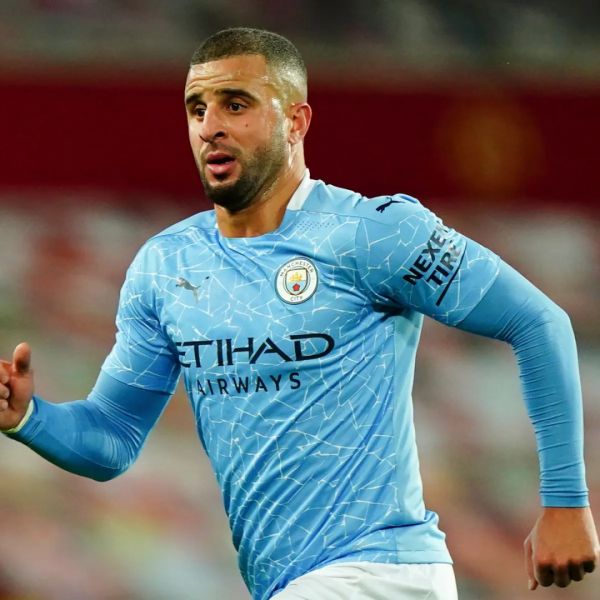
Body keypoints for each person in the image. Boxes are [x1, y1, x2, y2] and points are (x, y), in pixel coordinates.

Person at [1, 27, 598, 600]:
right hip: (293, 584)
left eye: (236, 105)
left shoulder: (372, 234)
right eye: (197, 108)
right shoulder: (166, 266)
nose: (210, 126)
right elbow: (112, 435)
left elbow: (538, 322)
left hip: (379, 573)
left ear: (296, 120)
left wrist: (566, 501)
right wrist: (27, 416)